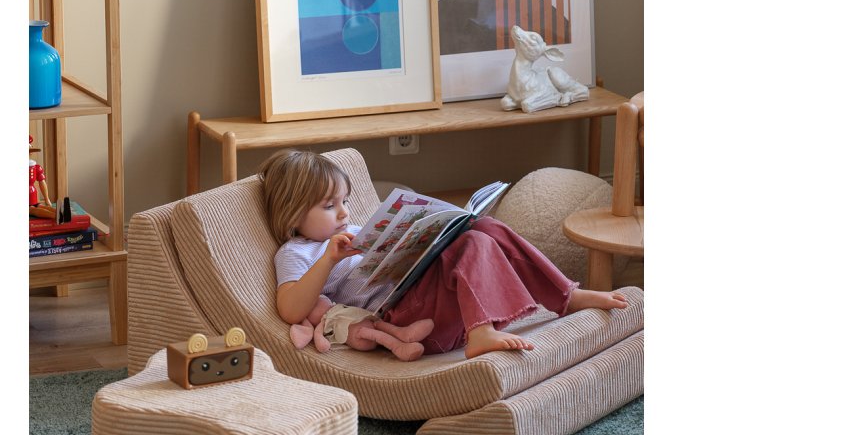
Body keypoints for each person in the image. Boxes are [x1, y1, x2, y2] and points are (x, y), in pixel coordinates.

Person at [259, 149, 627, 359]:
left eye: (345, 201)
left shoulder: (354, 230)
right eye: (329, 206)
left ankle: (565, 295)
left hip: (428, 297)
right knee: (472, 245)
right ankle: (481, 332)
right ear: (293, 213)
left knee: (486, 227)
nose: (343, 212)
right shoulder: (296, 252)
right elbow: (290, 308)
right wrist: (329, 260)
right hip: (406, 320)